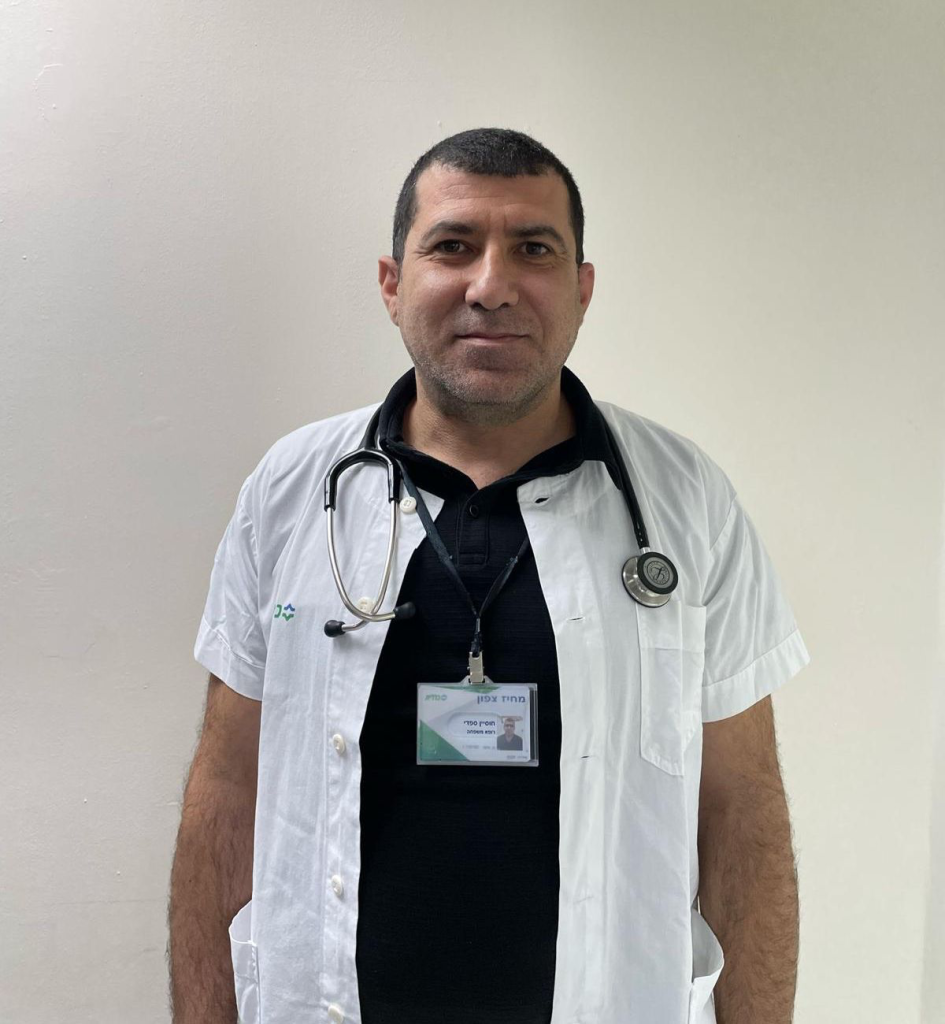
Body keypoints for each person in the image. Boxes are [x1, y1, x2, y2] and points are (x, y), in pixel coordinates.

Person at [169, 128, 811, 1024]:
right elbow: (227, 785)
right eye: (452, 245)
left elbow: (741, 811)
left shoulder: (685, 497)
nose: (491, 286)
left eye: (534, 249)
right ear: (392, 284)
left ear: (582, 288)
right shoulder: (292, 487)